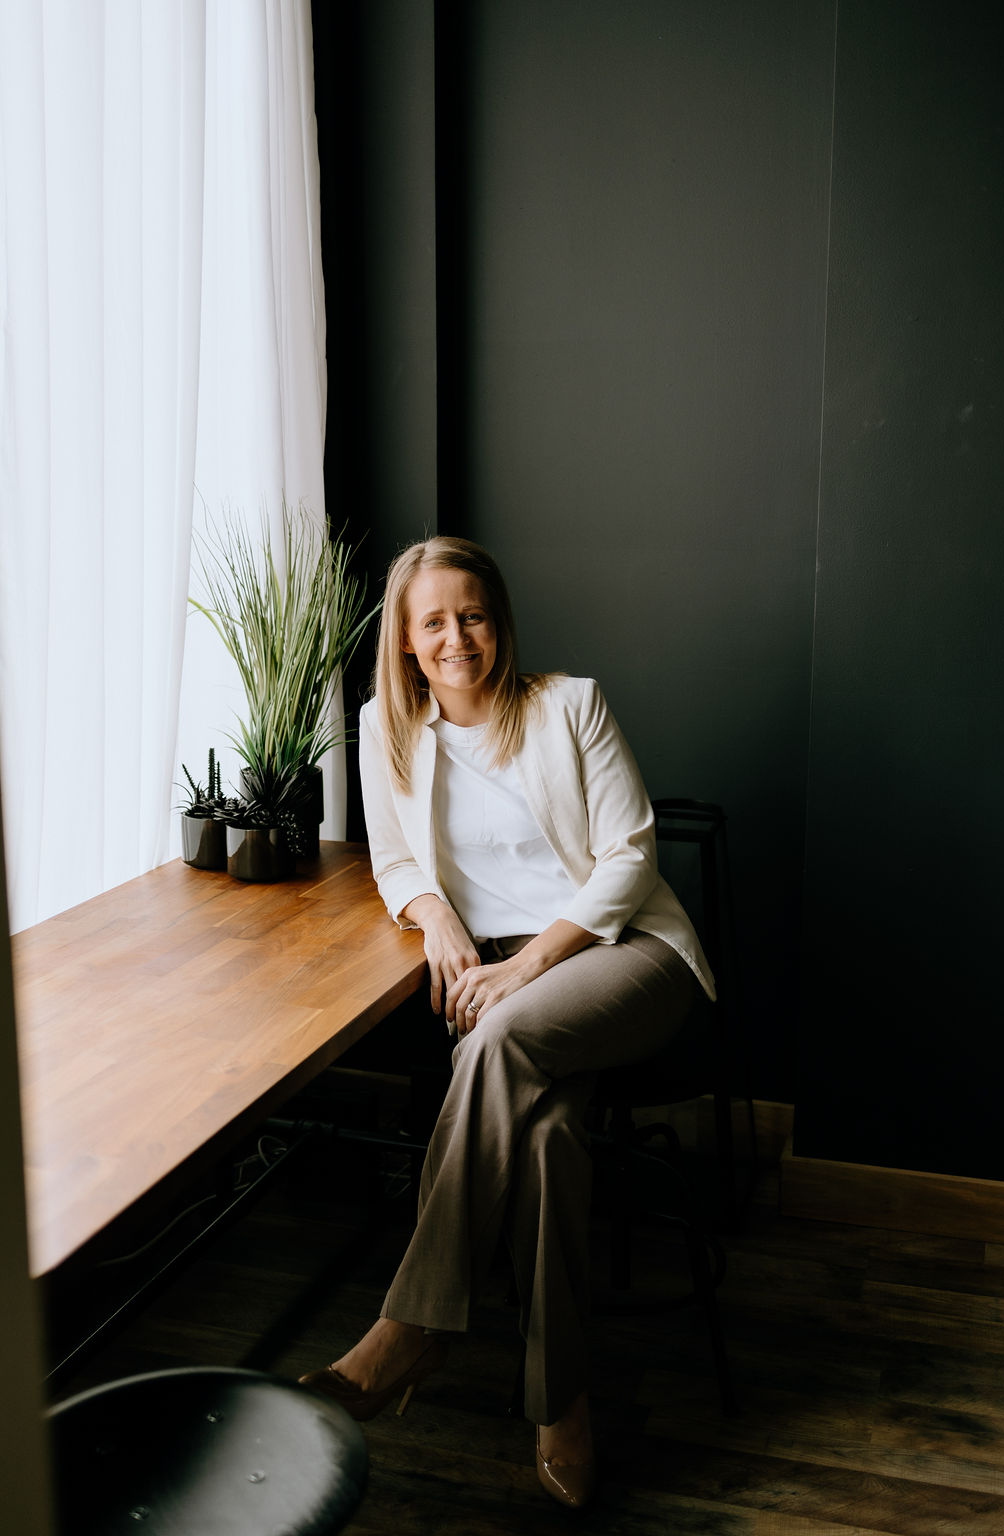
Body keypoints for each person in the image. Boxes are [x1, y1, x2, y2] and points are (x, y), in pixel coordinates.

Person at [300, 536, 714, 1508]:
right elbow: (395, 860)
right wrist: (435, 914)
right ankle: (558, 1397)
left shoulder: (572, 705)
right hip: (493, 975)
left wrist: (526, 966)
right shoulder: (384, 728)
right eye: (434, 621)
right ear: (405, 640)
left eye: (473, 615)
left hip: (620, 954)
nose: (457, 638)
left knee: (497, 1038)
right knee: (548, 1141)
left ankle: (415, 1326)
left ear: (500, 621)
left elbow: (631, 857)